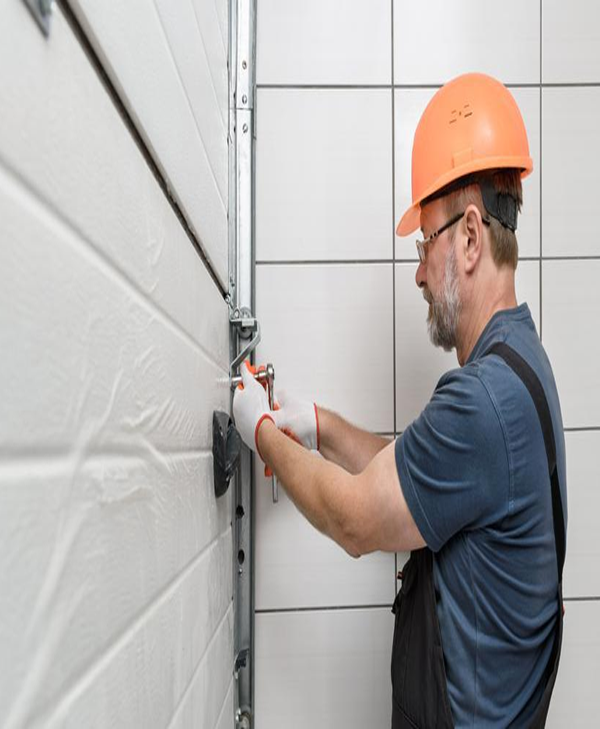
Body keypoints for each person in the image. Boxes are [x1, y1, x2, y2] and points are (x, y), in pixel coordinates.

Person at [233, 72, 567, 728]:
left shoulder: (484, 401)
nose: (417, 270)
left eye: (426, 243)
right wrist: (318, 425)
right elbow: (414, 474)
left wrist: (262, 432)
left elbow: (358, 520)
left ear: (470, 237)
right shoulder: (517, 364)